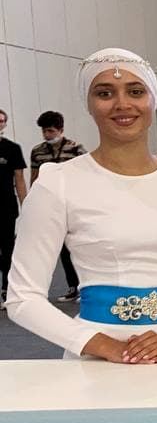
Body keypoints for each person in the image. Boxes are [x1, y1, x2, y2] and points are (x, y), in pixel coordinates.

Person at [5, 49, 157, 361]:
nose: (122, 104)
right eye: (105, 93)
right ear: (88, 103)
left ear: (153, 99)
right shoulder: (57, 182)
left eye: (136, 91)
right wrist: (107, 347)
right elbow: (22, 297)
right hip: (96, 361)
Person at [29, 110, 88, 301]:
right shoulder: (37, 151)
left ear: (61, 130)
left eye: (51, 131)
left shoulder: (76, 148)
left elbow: (87, 176)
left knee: (80, 247)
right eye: (44, 131)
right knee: (62, 249)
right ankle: (72, 287)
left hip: (75, 203)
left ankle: (86, 287)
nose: (47, 135)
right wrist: (34, 201)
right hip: (52, 204)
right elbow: (35, 177)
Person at [0, 107, 28, 307]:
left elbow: (19, 179)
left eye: (1, 121)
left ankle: (6, 290)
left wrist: (26, 205)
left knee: (8, 249)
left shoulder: (12, 148)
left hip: (6, 206)